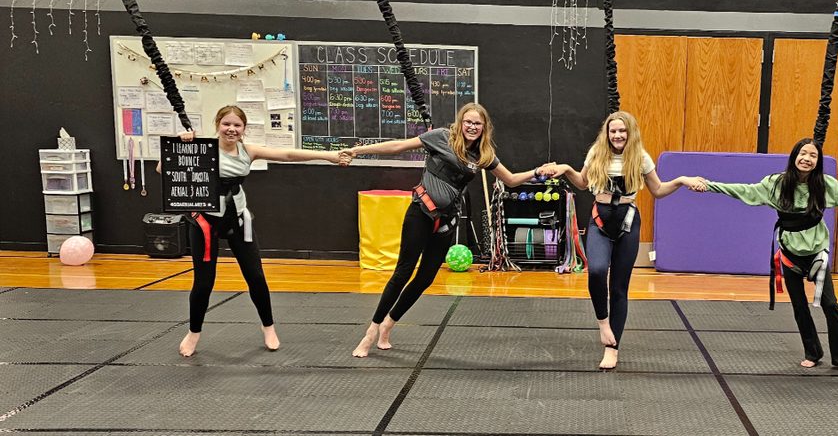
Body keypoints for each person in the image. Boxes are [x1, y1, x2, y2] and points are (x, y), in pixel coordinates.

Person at [682, 138, 838, 375]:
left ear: (817, 162)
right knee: (799, 306)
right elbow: (743, 190)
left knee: (830, 305)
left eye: (813, 155)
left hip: (816, 253)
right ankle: (812, 353)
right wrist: (710, 185)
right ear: (794, 156)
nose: (807, 159)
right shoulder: (776, 184)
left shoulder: (825, 186)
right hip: (789, 253)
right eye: (803, 153)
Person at [346, 102, 553, 357]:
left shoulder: (483, 154)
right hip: (421, 213)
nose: (472, 127)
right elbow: (398, 146)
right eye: (468, 122)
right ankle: (371, 331)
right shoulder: (441, 137)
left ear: (484, 128)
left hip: (446, 222)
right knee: (403, 272)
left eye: (478, 124)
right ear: (461, 122)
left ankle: (390, 323)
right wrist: (358, 150)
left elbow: (509, 179)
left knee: (425, 278)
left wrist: (537, 172)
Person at [161, 105, 343, 357]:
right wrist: (182, 144)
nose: (231, 129)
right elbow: (163, 169)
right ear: (218, 125)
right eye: (226, 124)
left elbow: (288, 155)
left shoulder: (248, 151)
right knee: (203, 283)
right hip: (205, 221)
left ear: (244, 129)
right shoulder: (202, 148)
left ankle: (268, 327)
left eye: (237, 125)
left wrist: (328, 156)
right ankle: (194, 333)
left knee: (256, 277)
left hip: (238, 218)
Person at [548, 111, 689, 370]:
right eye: (613, 131)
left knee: (619, 288)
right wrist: (566, 169)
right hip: (600, 221)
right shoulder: (596, 153)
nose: (617, 135)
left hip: (627, 223)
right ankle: (604, 325)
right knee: (598, 271)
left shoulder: (641, 158)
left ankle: (612, 348)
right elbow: (582, 183)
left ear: (630, 132)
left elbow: (657, 190)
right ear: (607, 133)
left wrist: (680, 181)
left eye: (622, 131)